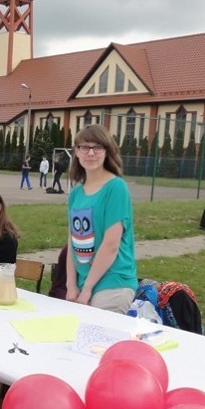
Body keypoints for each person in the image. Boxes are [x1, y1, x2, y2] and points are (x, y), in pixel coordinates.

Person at [66, 124, 137, 314]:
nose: (91, 153)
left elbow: (111, 244)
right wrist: (71, 285)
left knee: (96, 342)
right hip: (83, 284)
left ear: (107, 151)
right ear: (77, 152)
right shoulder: (76, 193)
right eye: (84, 147)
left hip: (112, 283)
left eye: (97, 147)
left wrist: (87, 289)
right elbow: (72, 242)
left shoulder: (116, 188)